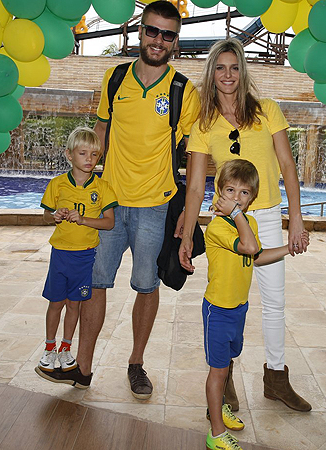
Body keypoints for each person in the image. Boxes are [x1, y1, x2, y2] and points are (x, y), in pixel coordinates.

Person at [179, 38, 311, 412]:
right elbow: (194, 186)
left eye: (234, 67)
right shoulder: (203, 124)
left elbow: (287, 167)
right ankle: (224, 378)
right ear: (211, 73)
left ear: (243, 71)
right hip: (227, 224)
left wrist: (295, 220)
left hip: (267, 214)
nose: (228, 75)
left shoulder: (268, 110)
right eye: (220, 68)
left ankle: (276, 377)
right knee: (227, 300)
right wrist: (189, 235)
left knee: (274, 302)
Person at [89, 1, 200, 399]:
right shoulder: (114, 78)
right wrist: (86, 183)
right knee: (95, 283)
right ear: (140, 31)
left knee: (146, 285)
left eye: (168, 35)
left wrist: (191, 207)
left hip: (156, 204)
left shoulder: (182, 90)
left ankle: (136, 363)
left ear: (175, 41)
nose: (159, 40)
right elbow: (102, 127)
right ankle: (83, 367)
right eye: (153, 31)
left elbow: (196, 151)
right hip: (110, 203)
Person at [202, 159, 309, 450]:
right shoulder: (218, 228)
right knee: (218, 371)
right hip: (218, 310)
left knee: (228, 361)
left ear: (254, 197)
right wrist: (237, 214)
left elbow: (257, 256)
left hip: (238, 308)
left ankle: (218, 407)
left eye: (244, 193)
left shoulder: (248, 222)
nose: (237, 198)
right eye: (230, 190)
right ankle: (216, 433)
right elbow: (248, 247)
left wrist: (288, 248)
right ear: (219, 191)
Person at [35, 127, 117, 388]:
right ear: (69, 154)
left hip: (85, 258)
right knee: (56, 303)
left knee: (75, 305)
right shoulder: (57, 185)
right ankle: (49, 348)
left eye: (94, 154)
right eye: (83, 153)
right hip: (60, 256)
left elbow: (109, 223)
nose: (89, 159)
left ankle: (66, 348)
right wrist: (54, 216)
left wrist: (83, 219)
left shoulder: (102, 188)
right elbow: (45, 216)